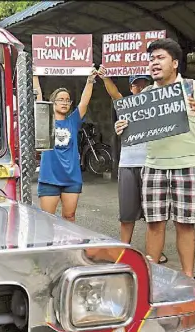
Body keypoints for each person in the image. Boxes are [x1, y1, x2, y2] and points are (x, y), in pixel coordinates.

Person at [114, 38, 195, 278]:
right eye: (151, 59)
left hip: (188, 164)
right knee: (154, 224)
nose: (154, 63)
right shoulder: (145, 95)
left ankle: (187, 277)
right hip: (153, 166)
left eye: (160, 58)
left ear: (174, 63)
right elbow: (133, 130)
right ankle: (154, 277)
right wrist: (122, 126)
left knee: (185, 224)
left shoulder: (192, 87)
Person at [99, 69, 168, 264]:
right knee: (127, 214)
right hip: (128, 164)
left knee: (153, 215)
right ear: (131, 88)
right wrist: (105, 77)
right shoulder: (125, 106)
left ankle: (154, 253)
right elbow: (114, 93)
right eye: (136, 84)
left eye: (144, 84)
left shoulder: (159, 105)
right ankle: (124, 250)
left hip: (153, 164)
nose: (140, 88)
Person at [38, 68, 98, 222]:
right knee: (47, 220)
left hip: (71, 178)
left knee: (69, 217)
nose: (64, 102)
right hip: (49, 177)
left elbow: (84, 101)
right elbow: (38, 98)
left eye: (67, 100)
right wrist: (34, 74)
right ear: (52, 102)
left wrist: (90, 80)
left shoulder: (73, 120)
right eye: (60, 99)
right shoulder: (46, 119)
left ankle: (69, 246)